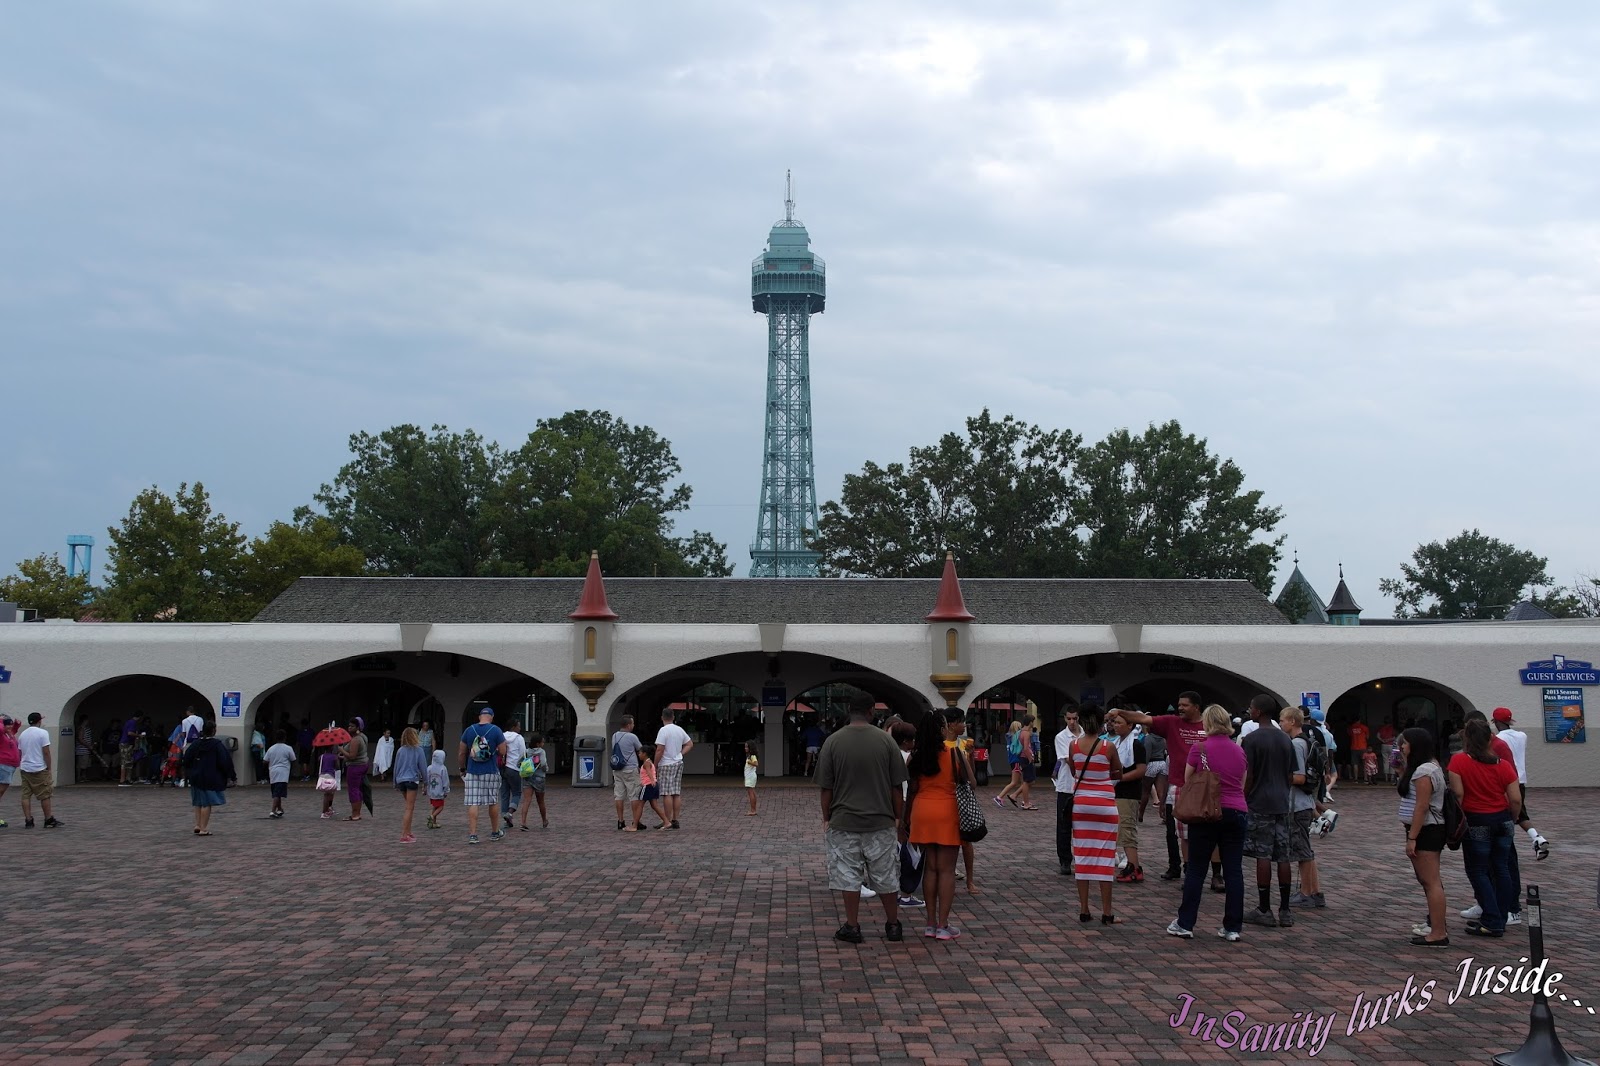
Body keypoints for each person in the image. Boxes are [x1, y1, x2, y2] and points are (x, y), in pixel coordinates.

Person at [820, 692, 907, 945]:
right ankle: (892, 924)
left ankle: (852, 925)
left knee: (848, 875)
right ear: (871, 711)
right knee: (886, 874)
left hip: (844, 819)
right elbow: (896, 786)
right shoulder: (886, 741)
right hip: (881, 820)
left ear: (849, 710)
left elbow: (826, 787)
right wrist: (898, 817)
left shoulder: (833, 742)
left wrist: (826, 817)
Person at [1167, 704, 1249, 941]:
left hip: (1206, 812)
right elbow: (1242, 782)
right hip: (1237, 811)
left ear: (1207, 723)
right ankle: (1232, 927)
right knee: (1233, 870)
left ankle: (1186, 922)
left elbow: (1188, 780)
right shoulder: (1238, 750)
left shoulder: (1199, 748)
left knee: (1196, 869)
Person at [1116, 693, 1207, 881]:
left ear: (1197, 707)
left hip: (1204, 786)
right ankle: (1177, 867)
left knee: (1205, 831)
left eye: (1185, 705)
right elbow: (1142, 718)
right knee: (1175, 831)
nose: (1180, 708)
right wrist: (1118, 712)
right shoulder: (1172, 723)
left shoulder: (1208, 725)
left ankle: (1213, 873)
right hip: (1178, 785)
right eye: (1179, 704)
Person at [1447, 718, 1520, 937]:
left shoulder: (1459, 762)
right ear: (1490, 738)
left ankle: (1491, 917)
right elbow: (1515, 799)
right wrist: (1512, 818)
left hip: (1476, 819)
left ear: (1466, 738)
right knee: (1501, 869)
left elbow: (1458, 794)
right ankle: (1502, 914)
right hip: (1503, 819)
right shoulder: (1503, 765)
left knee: (1478, 871)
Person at [903, 706, 966, 940]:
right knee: (947, 869)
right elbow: (970, 782)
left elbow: (912, 789)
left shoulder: (915, 756)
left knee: (930, 867)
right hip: (946, 809)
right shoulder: (952, 753)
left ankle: (929, 923)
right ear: (942, 729)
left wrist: (905, 821)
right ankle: (943, 924)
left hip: (922, 810)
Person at [1240, 694, 1296, 928]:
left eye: (1251, 708)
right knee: (1282, 855)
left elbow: (1249, 775)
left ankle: (1264, 908)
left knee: (1263, 854)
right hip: (1282, 801)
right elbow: (1291, 774)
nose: (1249, 711)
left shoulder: (1251, 739)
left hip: (1259, 802)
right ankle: (1285, 909)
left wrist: (1243, 798)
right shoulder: (1285, 739)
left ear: (1258, 712)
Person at [1068, 704, 1125, 924]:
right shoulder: (1108, 746)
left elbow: (1074, 771)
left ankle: (1084, 910)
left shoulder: (1074, 745)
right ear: (1102, 722)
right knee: (1105, 856)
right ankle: (1107, 912)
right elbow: (1118, 771)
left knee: (1082, 855)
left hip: (1081, 804)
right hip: (1104, 803)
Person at [1396, 728, 1449, 946]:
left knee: (1431, 882)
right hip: (1424, 829)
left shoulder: (1424, 771)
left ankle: (1438, 932)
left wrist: (1412, 837)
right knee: (1427, 880)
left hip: (1427, 830)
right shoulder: (1423, 767)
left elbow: (1422, 806)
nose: (1402, 747)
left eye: (1405, 743)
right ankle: (1436, 926)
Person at [1491, 707, 1550, 860]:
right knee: (1520, 813)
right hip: (1521, 779)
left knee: (1509, 816)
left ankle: (1524, 842)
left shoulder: (1499, 740)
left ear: (1496, 722)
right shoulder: (1522, 736)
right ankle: (1537, 839)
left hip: (1507, 780)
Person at [1279, 707, 1324, 908]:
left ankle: (1306, 892)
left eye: (1282, 720)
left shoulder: (1296, 744)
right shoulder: (1306, 741)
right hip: (1304, 802)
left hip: (1296, 805)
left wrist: (1278, 775)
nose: (1280, 724)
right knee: (1306, 849)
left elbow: (1299, 776)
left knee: (1302, 850)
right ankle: (1315, 891)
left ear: (1292, 722)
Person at [1108, 710, 1147, 883]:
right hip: (1118, 791)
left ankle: (1134, 865)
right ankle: (1131, 864)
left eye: (1119, 723)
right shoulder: (1116, 743)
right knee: (1122, 829)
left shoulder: (1136, 745)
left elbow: (1141, 770)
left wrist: (1121, 778)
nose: (1115, 726)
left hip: (1129, 793)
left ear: (1130, 725)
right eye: (1114, 723)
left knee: (1127, 828)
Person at [458, 707, 508, 844]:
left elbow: (461, 752)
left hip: (473, 770)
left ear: (480, 716)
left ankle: (473, 835)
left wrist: (462, 768)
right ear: (491, 717)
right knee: (492, 801)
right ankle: (494, 832)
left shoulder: (469, 730)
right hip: (491, 770)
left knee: (473, 802)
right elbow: (503, 751)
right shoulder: (496, 730)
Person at [181, 720, 236, 835]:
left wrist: (190, 770)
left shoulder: (196, 744)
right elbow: (225, 761)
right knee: (206, 803)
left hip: (196, 776)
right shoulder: (217, 744)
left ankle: (197, 824)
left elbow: (186, 759)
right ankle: (203, 828)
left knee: (198, 802)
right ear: (213, 730)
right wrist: (231, 775)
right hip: (211, 776)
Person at [1052, 706, 1085, 876]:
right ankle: (1065, 860)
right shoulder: (1061, 737)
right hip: (1067, 786)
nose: (1072, 722)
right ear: (1064, 719)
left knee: (1084, 824)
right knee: (1064, 825)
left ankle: (1084, 858)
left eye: (1075, 719)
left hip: (1084, 785)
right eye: (1069, 719)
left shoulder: (1086, 735)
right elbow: (1067, 758)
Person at [17, 712, 61, 829]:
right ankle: (48, 819)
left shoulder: (22, 734)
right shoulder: (43, 733)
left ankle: (28, 820)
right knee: (45, 794)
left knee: (26, 795)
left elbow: (20, 752)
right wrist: (49, 767)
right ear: (39, 721)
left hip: (25, 768)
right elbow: (46, 752)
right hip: (39, 767)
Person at [654, 708, 694, 830]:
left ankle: (667, 819)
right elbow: (690, 744)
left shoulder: (663, 730)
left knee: (666, 792)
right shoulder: (679, 729)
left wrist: (655, 765)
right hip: (678, 762)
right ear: (673, 717)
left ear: (662, 717)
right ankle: (675, 819)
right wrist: (680, 754)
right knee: (676, 792)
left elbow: (660, 749)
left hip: (666, 763)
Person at [392, 726, 427, 843]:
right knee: (409, 808)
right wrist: (426, 782)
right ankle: (404, 834)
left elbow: (396, 767)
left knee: (409, 807)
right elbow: (423, 767)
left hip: (401, 780)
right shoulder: (419, 750)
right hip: (412, 780)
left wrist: (395, 782)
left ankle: (408, 832)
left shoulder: (400, 750)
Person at [610, 715, 644, 831]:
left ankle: (620, 820)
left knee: (619, 795)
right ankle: (636, 821)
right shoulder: (632, 737)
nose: (633, 725)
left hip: (617, 768)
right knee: (634, 795)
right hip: (630, 768)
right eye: (633, 724)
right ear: (629, 725)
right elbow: (641, 749)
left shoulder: (614, 736)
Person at [519, 731, 550, 831]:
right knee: (540, 801)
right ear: (538, 743)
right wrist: (546, 769)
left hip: (527, 777)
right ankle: (544, 820)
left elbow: (518, 763)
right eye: (542, 742)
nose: (543, 744)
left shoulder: (526, 751)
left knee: (526, 800)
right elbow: (544, 764)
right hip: (539, 778)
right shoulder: (541, 752)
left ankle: (523, 822)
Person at [342, 718, 370, 821]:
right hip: (362, 764)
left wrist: (341, 750)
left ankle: (355, 814)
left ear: (358, 727)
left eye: (352, 726)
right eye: (349, 726)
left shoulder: (355, 739)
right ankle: (357, 813)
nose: (349, 728)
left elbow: (352, 756)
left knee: (353, 790)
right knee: (358, 789)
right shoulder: (363, 737)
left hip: (355, 766)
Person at [500, 721, 526, 829]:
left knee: (504, 793)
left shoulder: (501, 735)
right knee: (516, 793)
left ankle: (505, 817)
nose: (520, 728)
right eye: (519, 726)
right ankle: (510, 813)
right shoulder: (519, 738)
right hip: (514, 768)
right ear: (514, 726)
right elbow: (523, 753)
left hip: (502, 767)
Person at [265, 730, 296, 819]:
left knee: (276, 792)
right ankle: (273, 810)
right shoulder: (288, 748)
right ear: (285, 738)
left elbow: (265, 760)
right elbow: (293, 759)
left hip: (273, 772)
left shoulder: (271, 748)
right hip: (283, 773)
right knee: (278, 793)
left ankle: (279, 808)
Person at [638, 744, 668, 829]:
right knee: (655, 805)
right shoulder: (650, 762)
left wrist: (651, 780)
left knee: (640, 804)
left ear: (644, 754)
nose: (639, 755)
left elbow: (648, 772)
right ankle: (666, 821)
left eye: (640, 753)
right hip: (653, 785)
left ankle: (634, 824)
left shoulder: (646, 763)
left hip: (648, 785)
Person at [0, 714, 21, 827]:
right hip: (4, 765)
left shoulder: (9, 735)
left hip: (10, 766)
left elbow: (13, 730)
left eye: (10, 724)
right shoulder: (1, 735)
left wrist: (16, 724)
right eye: (7, 724)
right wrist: (1, 720)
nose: (9, 727)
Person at [424, 749, 450, 829]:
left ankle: (433, 823)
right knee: (440, 806)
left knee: (435, 806)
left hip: (431, 791)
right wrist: (446, 790)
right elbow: (445, 780)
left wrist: (425, 788)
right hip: (439, 791)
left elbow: (426, 779)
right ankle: (432, 816)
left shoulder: (429, 768)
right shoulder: (443, 768)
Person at [119, 715, 143, 786]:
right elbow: (129, 733)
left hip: (129, 744)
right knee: (125, 761)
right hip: (125, 744)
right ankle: (122, 780)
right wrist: (139, 735)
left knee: (129, 761)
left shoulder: (129, 722)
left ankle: (128, 779)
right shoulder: (132, 722)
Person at [743, 742, 759, 816]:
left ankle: (753, 810)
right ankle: (753, 809)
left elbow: (756, 764)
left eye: (747, 747)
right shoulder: (749, 756)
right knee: (752, 792)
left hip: (750, 776)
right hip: (750, 776)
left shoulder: (752, 756)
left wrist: (749, 762)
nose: (745, 748)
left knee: (751, 793)